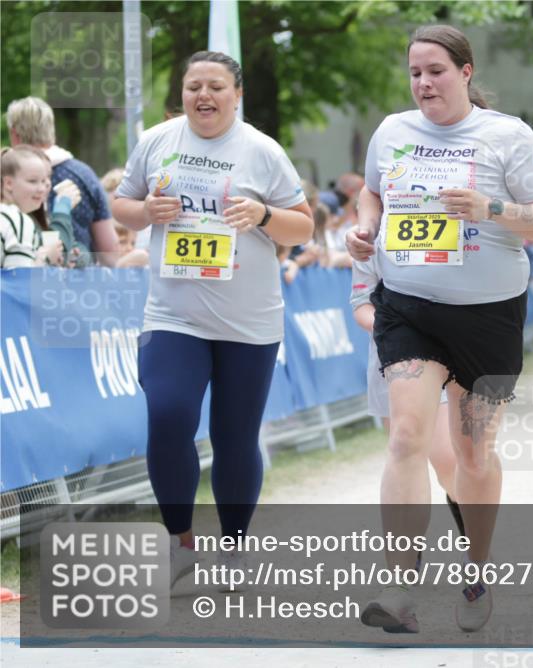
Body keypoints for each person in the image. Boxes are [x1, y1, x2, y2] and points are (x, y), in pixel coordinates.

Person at [346, 24, 533, 633]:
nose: (423, 83)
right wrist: (366, 228)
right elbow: (372, 194)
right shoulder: (392, 131)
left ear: (465, 72)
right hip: (409, 306)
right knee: (406, 437)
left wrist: (491, 209)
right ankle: (399, 589)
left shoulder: (507, 136)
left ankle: (475, 567)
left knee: (472, 451)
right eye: (414, 73)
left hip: (489, 315)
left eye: (435, 71)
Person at [111, 51, 313, 591]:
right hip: (174, 314)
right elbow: (121, 206)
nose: (204, 96)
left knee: (234, 436)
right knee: (169, 414)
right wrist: (146, 213)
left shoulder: (261, 151)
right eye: (193, 86)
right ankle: (180, 543)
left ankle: (233, 548)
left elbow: (304, 228)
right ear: (182, 92)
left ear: (236, 93)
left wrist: (264, 215)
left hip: (249, 322)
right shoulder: (158, 141)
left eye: (216, 87)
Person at [351, 255, 466, 634]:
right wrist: (394, 326)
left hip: (449, 353)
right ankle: (400, 588)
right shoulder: (368, 235)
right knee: (405, 453)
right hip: (394, 357)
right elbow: (360, 304)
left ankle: (475, 547)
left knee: (449, 462)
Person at [6, 97, 120, 265]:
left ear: (14, 134)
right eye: (33, 181)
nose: (44, 187)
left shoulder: (8, 176)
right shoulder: (84, 175)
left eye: (45, 180)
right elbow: (109, 249)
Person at [0, 145, 69, 268]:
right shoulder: (18, 220)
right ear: (8, 183)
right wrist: (47, 258)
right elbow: (19, 281)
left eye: (44, 181)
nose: (42, 189)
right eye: (32, 181)